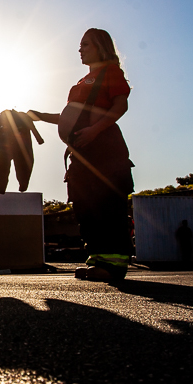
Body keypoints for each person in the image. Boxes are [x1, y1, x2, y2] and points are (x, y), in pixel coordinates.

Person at [30, 28, 134, 283]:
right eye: (80, 45)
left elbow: (121, 105)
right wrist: (38, 116)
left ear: (101, 47)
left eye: (86, 44)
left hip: (104, 151)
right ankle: (97, 259)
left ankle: (114, 264)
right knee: (86, 207)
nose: (80, 49)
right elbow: (69, 117)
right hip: (81, 154)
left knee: (107, 206)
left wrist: (94, 130)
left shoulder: (110, 72)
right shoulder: (80, 83)